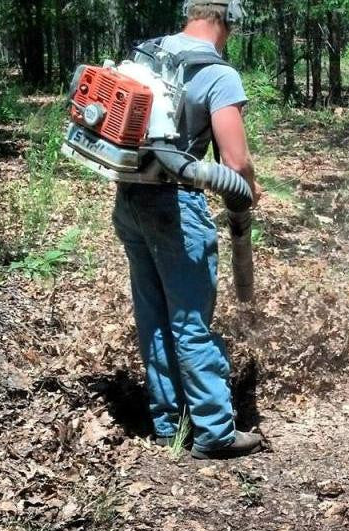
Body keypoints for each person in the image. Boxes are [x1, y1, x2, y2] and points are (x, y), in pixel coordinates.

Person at [112, 0, 264, 459]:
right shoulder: (218, 74)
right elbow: (235, 163)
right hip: (176, 206)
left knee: (154, 314)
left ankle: (167, 421)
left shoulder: (147, 54)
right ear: (228, 19)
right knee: (191, 322)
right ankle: (215, 432)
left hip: (130, 197)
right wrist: (249, 189)